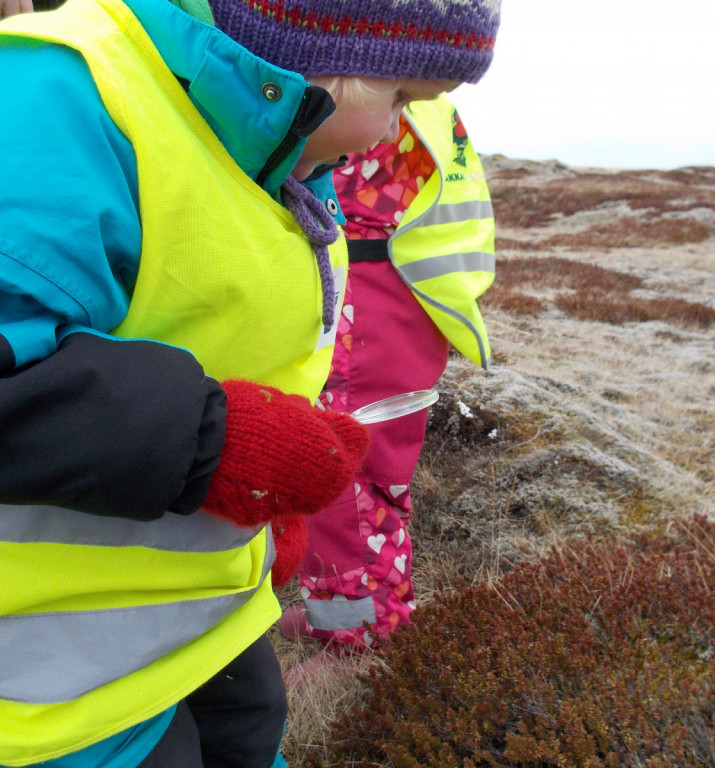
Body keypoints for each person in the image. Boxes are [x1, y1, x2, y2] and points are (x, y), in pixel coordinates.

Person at [0, 0, 501, 765]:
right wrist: (218, 443)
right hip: (51, 695)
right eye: (400, 98)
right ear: (315, 36)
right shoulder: (63, 97)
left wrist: (257, 520)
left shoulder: (276, 151)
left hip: (203, 628)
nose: (394, 137)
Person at [279, 100, 496, 652]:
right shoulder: (404, 83)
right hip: (384, 286)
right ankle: (343, 608)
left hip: (367, 286)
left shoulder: (358, 72)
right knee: (358, 468)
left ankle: (362, 633)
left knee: (345, 470)